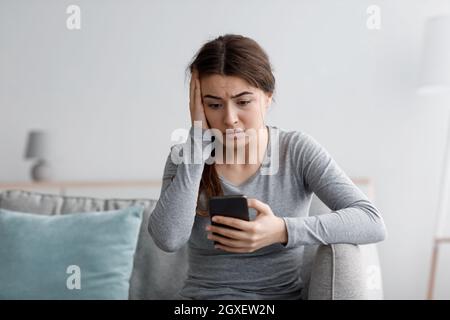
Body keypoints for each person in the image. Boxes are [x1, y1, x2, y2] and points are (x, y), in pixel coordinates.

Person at [148, 34, 387, 300]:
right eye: (214, 104)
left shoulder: (295, 150)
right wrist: (196, 144)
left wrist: (282, 230)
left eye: (243, 102)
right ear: (198, 106)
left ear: (267, 97)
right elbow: (168, 239)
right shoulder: (185, 156)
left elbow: (371, 221)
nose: (229, 119)